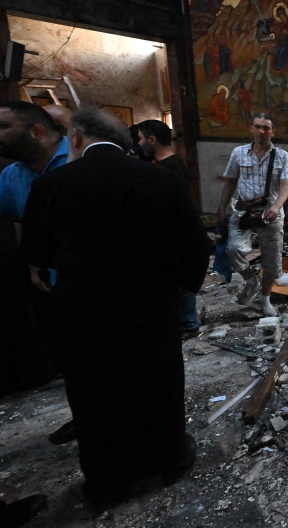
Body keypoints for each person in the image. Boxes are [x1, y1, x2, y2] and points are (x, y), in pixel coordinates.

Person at [21, 108, 210, 507]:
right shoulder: (161, 180)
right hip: (150, 307)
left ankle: (107, 482)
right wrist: (179, 290)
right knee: (158, 383)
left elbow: (38, 253)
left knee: (94, 393)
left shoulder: (53, 183)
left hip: (83, 313)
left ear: (76, 138)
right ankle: (171, 458)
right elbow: (196, 246)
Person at [0, 102, 69, 396]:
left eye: (3, 126)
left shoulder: (81, 161)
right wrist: (31, 264)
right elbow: (18, 221)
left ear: (37, 132)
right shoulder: (11, 176)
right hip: (50, 280)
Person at [218, 113, 288, 316]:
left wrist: (276, 206)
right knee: (233, 248)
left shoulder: (282, 156)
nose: (262, 131)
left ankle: (265, 299)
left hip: (271, 212)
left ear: (273, 132)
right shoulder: (238, 153)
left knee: (272, 260)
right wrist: (222, 207)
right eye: (258, 127)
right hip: (244, 210)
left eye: (266, 128)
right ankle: (251, 280)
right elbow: (230, 181)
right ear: (251, 129)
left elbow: (286, 186)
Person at [138, 120, 199, 339]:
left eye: (141, 139)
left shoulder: (169, 169)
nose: (139, 144)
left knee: (179, 277)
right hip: (174, 232)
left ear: (152, 139)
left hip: (174, 233)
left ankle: (188, 323)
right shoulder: (166, 165)